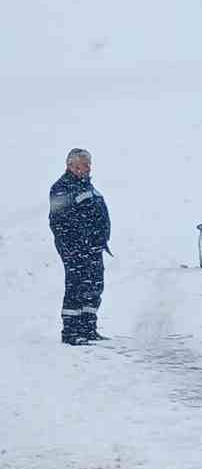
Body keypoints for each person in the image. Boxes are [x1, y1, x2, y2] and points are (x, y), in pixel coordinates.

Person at [49, 148, 112, 345]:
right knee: (76, 287)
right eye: (85, 164)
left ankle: (88, 328)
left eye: (89, 164)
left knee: (93, 286)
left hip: (93, 248)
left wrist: (98, 240)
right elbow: (58, 221)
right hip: (75, 250)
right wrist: (74, 245)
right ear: (71, 165)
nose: (88, 167)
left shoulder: (87, 187)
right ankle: (71, 332)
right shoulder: (62, 188)